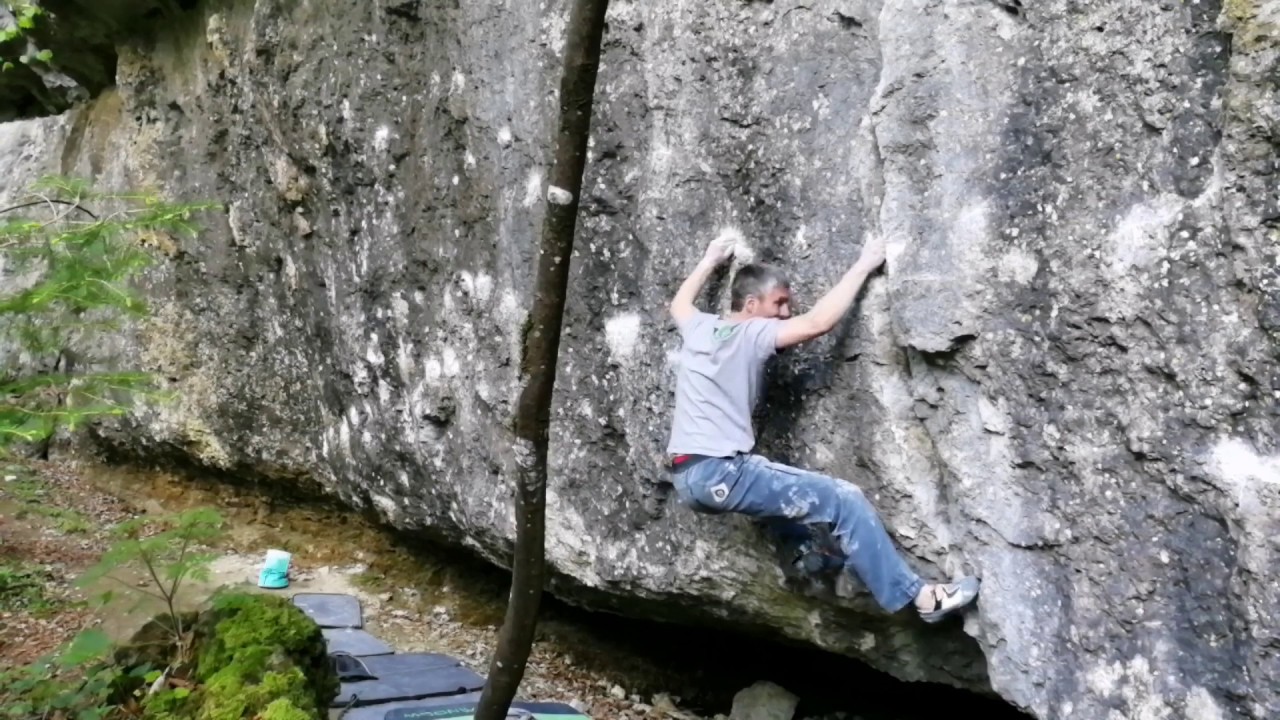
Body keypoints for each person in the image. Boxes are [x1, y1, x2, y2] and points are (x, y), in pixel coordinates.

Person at [665, 232, 980, 624]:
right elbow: (817, 323)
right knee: (842, 500)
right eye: (778, 303)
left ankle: (811, 559)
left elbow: (678, 303)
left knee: (775, 495)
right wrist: (864, 264)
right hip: (721, 472)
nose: (783, 313)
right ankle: (920, 597)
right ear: (750, 304)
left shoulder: (699, 328)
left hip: (690, 479)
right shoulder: (752, 332)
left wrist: (710, 259)